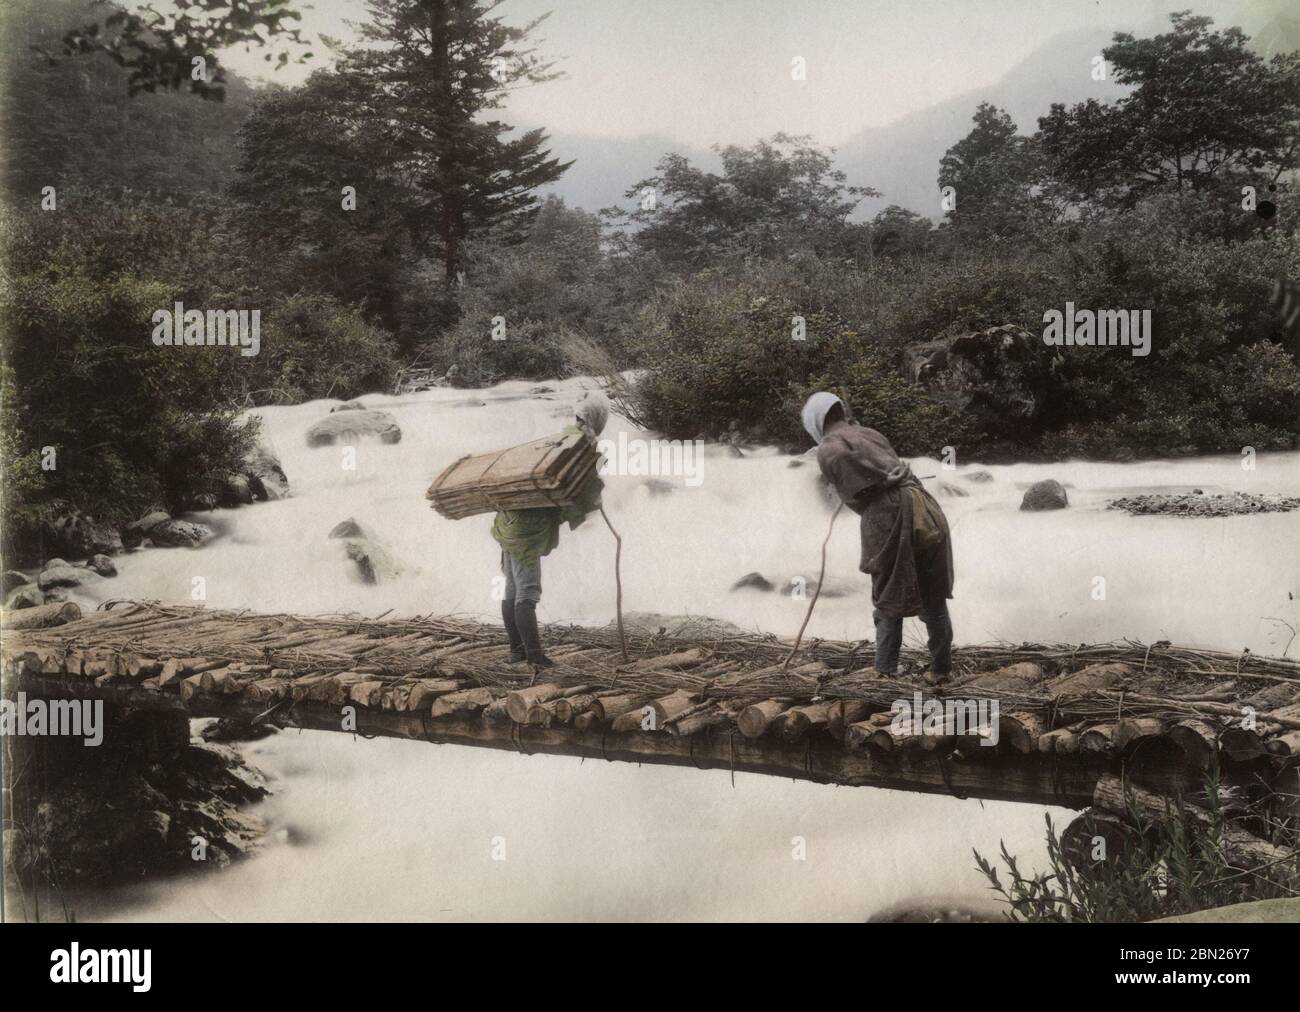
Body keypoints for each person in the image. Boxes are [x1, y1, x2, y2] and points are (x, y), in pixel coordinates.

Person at [801, 391, 954, 682]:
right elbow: (887, 474)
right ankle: (941, 670)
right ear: (839, 411)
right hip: (926, 507)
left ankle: (885, 671)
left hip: (890, 516)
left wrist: (868, 492)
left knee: (887, 592)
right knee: (932, 594)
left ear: (815, 423)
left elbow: (859, 495)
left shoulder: (829, 448)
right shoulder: (870, 433)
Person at [493, 392, 609, 668]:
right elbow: (574, 492)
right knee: (527, 593)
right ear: (597, 420)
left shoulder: (561, 438)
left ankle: (517, 652)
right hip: (526, 530)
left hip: (508, 519)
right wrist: (592, 502)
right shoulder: (582, 449)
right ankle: (533, 656)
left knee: (511, 589)